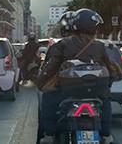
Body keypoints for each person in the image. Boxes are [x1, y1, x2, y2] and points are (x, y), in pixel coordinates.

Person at [36, 8, 115, 144]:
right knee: (106, 102)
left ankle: (48, 134)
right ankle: (107, 135)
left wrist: (41, 80)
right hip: (95, 93)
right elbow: (111, 70)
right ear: (93, 28)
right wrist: (107, 85)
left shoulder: (64, 44)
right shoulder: (100, 46)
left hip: (66, 93)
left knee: (48, 99)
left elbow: (51, 67)